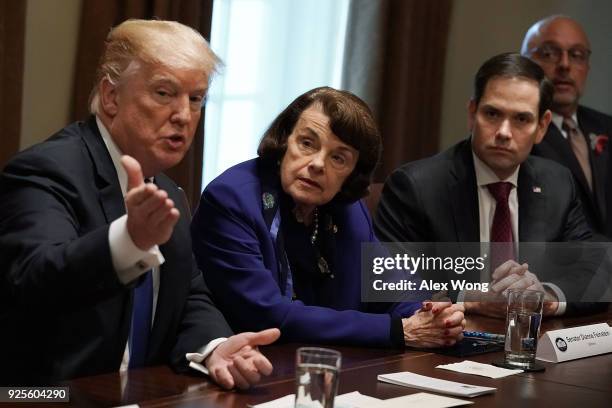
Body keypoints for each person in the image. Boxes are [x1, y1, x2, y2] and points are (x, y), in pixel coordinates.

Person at [0, 19, 279, 388]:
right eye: (164, 93)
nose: (183, 115)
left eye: (196, 98)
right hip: (36, 397)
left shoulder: (168, 191)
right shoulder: (47, 170)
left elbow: (189, 292)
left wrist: (215, 346)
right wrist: (129, 241)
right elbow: (36, 277)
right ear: (112, 97)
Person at [191, 87, 465, 349]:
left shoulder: (348, 209)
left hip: (327, 365)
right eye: (307, 143)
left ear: (353, 173)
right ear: (285, 139)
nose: (318, 164)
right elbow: (269, 315)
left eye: (338, 158)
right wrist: (397, 331)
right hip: (247, 368)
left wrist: (432, 314)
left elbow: (393, 286)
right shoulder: (232, 200)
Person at [374, 53, 598, 318]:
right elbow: (388, 282)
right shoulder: (416, 187)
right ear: (472, 113)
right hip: (445, 344)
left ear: (542, 126)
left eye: (521, 119)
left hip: (531, 342)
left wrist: (546, 298)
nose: (504, 132)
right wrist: (473, 299)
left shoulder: (557, 183)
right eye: (492, 113)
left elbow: (595, 268)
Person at [521, 15, 612, 239]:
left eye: (577, 55)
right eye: (549, 53)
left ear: (587, 67)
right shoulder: (515, 133)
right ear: (523, 64)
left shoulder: (606, 126)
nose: (564, 65)